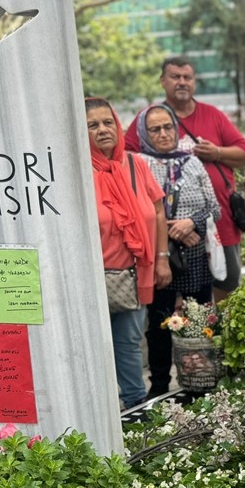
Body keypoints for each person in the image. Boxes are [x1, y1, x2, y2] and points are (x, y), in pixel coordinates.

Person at [125, 57, 245, 301]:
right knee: (170, 296)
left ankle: (217, 337)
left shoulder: (212, 115)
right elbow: (123, 158)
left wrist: (217, 152)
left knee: (227, 283)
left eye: (187, 77)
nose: (182, 82)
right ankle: (182, 339)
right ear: (163, 81)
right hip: (165, 233)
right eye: (175, 77)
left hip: (218, 225)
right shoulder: (150, 117)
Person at [85, 97, 170, 409]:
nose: (103, 130)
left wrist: (162, 258)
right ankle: (99, 413)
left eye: (108, 122)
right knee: (94, 348)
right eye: (92, 125)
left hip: (134, 273)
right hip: (91, 279)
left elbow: (158, 211)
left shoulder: (136, 164)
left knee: (130, 344)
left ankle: (136, 410)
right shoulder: (75, 171)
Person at [136, 103, 220, 398]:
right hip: (161, 258)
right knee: (158, 324)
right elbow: (141, 209)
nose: (163, 134)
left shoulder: (193, 162)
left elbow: (214, 208)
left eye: (168, 127)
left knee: (200, 323)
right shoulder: (137, 164)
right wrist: (172, 230)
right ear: (144, 134)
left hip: (195, 257)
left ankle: (200, 381)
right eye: (155, 129)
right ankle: (159, 385)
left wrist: (190, 223)